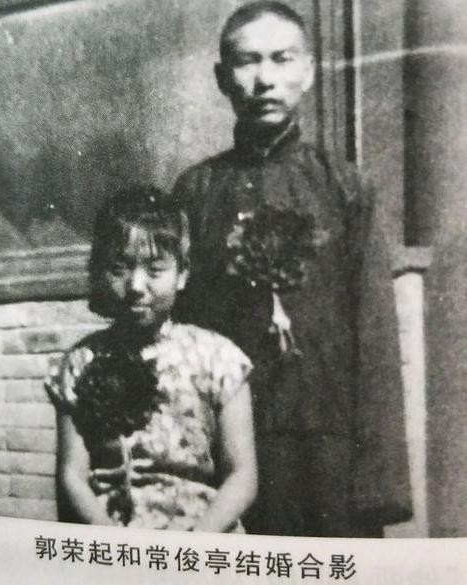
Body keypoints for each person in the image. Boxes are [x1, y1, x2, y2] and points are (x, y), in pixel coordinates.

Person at [173, 0, 412, 536]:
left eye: (282, 59)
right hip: (230, 450)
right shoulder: (196, 192)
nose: (264, 79)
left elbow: (374, 337)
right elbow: (180, 338)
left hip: (328, 452)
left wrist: (378, 485)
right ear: (222, 78)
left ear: (308, 71)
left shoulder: (343, 187)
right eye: (247, 61)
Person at [45, 184, 257, 531]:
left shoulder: (219, 359)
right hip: (111, 535)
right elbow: (72, 474)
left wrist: (197, 542)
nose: (136, 285)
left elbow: (243, 475)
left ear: (182, 273)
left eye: (155, 270)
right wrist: (114, 543)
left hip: (203, 533)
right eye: (119, 268)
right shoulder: (80, 364)